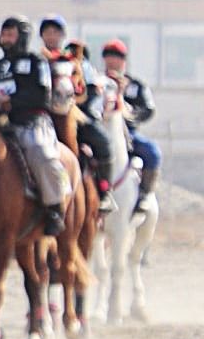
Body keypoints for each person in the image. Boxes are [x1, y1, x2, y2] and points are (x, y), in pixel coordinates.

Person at [0, 17, 68, 236]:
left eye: (11, 34)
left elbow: (42, 95)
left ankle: (54, 208)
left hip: (30, 123)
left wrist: (11, 102)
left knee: (40, 153)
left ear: (22, 37)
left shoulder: (36, 62)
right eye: (4, 34)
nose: (6, 39)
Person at [39, 17, 114, 212]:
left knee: (103, 142)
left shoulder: (77, 62)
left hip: (75, 115)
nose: (52, 35)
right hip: (44, 117)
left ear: (62, 35)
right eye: (47, 32)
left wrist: (75, 107)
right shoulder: (37, 61)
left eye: (56, 32)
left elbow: (91, 90)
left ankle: (104, 192)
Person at [101, 40, 159, 211]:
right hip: (102, 131)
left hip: (128, 133)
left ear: (124, 61)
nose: (112, 61)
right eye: (109, 57)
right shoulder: (98, 82)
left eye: (117, 57)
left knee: (152, 151)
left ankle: (144, 195)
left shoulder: (134, 86)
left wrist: (130, 115)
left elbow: (148, 108)